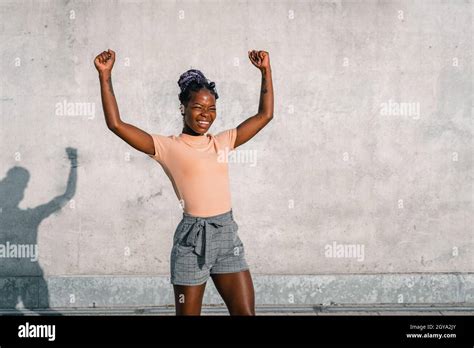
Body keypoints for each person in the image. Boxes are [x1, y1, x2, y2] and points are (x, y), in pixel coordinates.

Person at [94, 48, 274, 315]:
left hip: (227, 238)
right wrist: (105, 75)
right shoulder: (167, 147)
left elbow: (264, 116)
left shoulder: (222, 142)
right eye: (198, 107)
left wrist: (265, 71)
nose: (205, 114)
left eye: (211, 108)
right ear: (183, 108)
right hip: (192, 241)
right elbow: (116, 125)